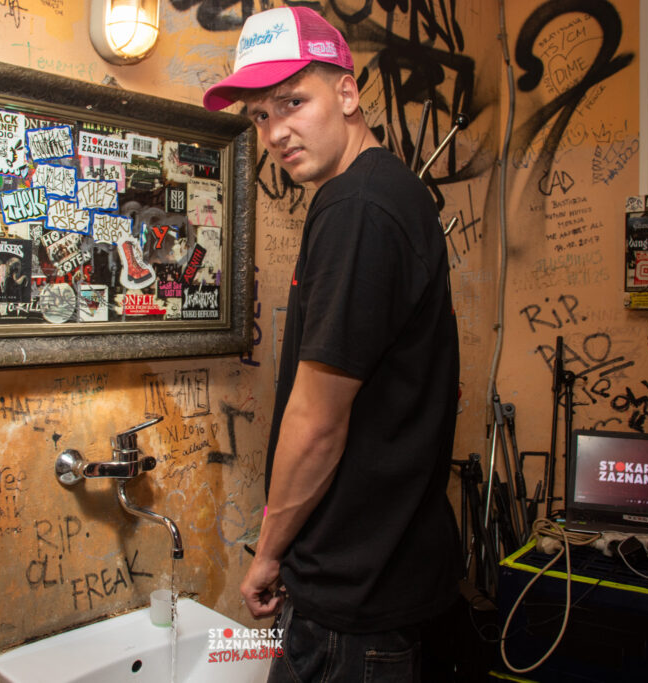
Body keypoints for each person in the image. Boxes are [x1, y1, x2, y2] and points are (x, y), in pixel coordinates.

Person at [203, 6, 463, 681]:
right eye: (260, 115)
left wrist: (267, 553)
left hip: (355, 605)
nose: (275, 132)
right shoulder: (386, 191)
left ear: (347, 93)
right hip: (391, 579)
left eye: (294, 102)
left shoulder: (357, 208)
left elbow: (318, 421)